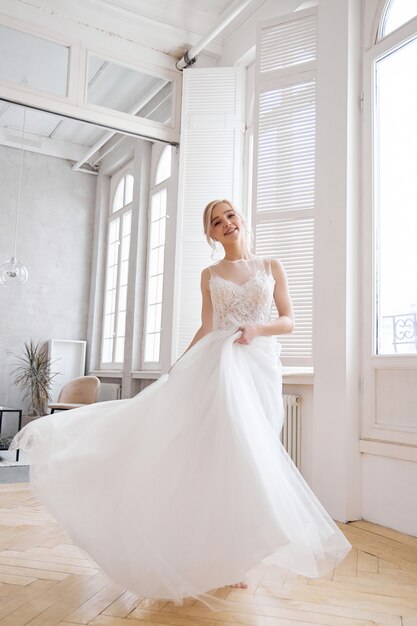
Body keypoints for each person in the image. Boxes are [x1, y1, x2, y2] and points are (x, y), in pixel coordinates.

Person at [10, 199, 351, 610]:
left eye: (230, 215)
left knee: (248, 459)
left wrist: (256, 328)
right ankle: (226, 560)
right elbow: (208, 326)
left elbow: (289, 320)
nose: (226, 223)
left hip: (259, 368)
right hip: (218, 369)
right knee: (224, 459)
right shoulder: (209, 274)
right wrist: (179, 364)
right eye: (216, 221)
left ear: (240, 219)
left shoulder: (272, 266)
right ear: (210, 234)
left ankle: (237, 554)